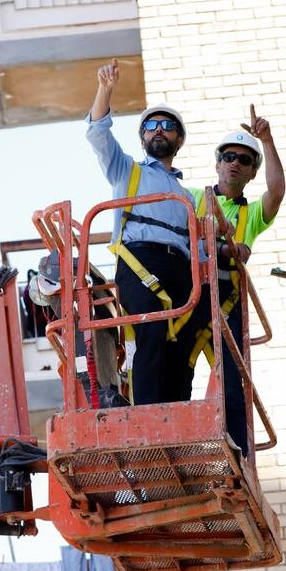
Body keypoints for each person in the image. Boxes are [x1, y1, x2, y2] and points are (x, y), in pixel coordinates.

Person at [85, 58, 199, 406]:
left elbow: (199, 245)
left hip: (181, 267)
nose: (159, 130)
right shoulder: (127, 170)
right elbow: (97, 134)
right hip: (140, 261)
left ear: (178, 138)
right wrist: (106, 88)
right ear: (143, 137)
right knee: (151, 330)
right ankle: (149, 413)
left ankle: (178, 414)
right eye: (151, 126)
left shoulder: (186, 196)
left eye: (167, 125)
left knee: (183, 344)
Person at [187, 105, 286, 456]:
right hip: (191, 293)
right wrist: (223, 244)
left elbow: (276, 193)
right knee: (178, 370)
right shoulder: (193, 198)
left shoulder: (251, 214)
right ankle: (180, 441)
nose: (234, 163)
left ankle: (239, 453)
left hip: (227, 299)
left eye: (244, 160)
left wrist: (268, 140)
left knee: (233, 382)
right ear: (217, 163)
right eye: (229, 156)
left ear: (251, 172)